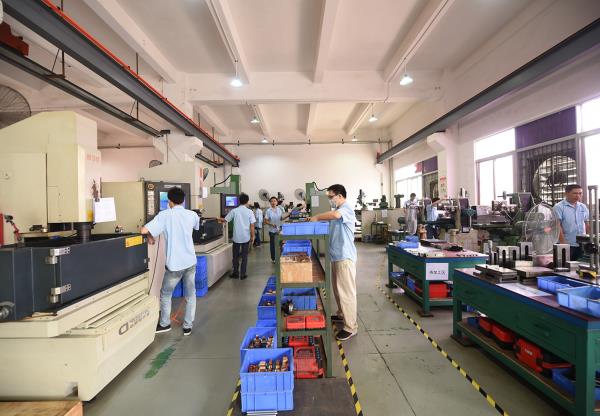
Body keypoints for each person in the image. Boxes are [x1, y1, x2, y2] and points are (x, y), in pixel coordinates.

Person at [141, 186, 200, 336]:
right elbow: (196, 226)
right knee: (191, 294)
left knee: (166, 294)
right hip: (190, 262)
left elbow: (143, 230)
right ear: (183, 200)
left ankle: (165, 324)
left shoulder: (165, 215)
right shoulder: (192, 214)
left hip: (175, 265)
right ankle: (188, 326)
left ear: (169, 201)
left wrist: (150, 237)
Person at [309, 184, 357, 341]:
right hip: (336, 256)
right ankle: (342, 314)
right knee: (337, 289)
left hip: (344, 257)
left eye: (331, 197)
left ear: (340, 196)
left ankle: (351, 327)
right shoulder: (337, 210)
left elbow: (335, 216)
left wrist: (317, 217)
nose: (330, 200)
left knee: (346, 292)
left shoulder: (346, 209)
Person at [218, 193, 255, 279]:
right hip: (246, 237)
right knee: (245, 256)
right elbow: (252, 225)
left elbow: (225, 220)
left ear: (239, 201)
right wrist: (252, 236)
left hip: (236, 237)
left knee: (235, 256)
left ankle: (235, 273)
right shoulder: (250, 212)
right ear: (247, 201)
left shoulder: (234, 211)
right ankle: (243, 274)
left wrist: (218, 218)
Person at [554, 184, 589, 261]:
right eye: (575, 193)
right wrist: (563, 243)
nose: (578, 196)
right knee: (565, 265)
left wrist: (589, 240)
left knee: (580, 266)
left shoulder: (583, 207)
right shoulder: (559, 207)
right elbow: (557, 226)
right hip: (567, 243)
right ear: (566, 194)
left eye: (580, 193)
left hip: (582, 244)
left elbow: (587, 224)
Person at [264, 196, 286, 263]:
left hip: (280, 230)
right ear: (270, 202)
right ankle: (273, 258)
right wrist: (271, 224)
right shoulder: (268, 211)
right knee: (273, 245)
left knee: (281, 244)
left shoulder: (280, 209)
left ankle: (281, 257)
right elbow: (266, 221)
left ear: (277, 202)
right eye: (272, 201)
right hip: (272, 231)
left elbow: (282, 217)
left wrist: (288, 215)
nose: (273, 202)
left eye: (274, 201)